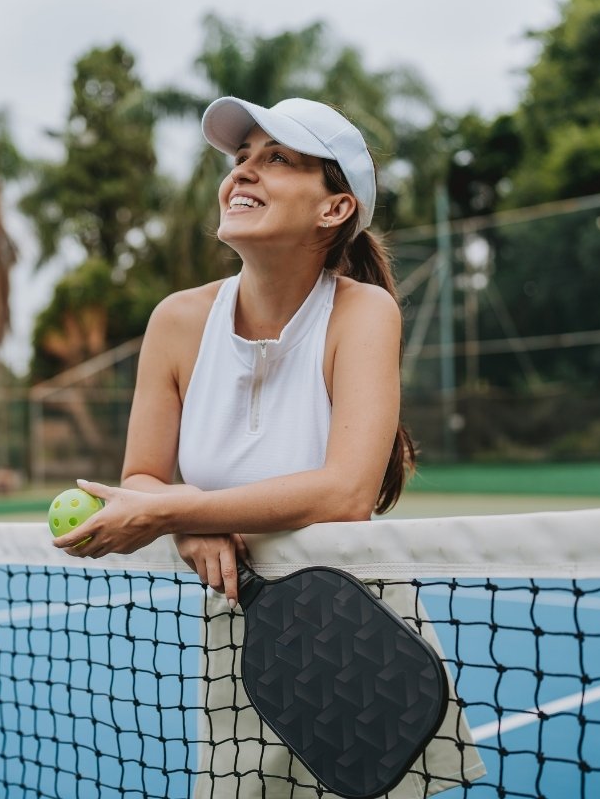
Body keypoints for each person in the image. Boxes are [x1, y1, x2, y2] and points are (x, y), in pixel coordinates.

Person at [52, 97, 484, 797]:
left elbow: (344, 492)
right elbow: (142, 475)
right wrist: (192, 526)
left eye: (276, 158)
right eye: (240, 158)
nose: (243, 173)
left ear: (334, 209)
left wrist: (177, 512)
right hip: (239, 623)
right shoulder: (176, 321)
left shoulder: (364, 312)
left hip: (359, 618)